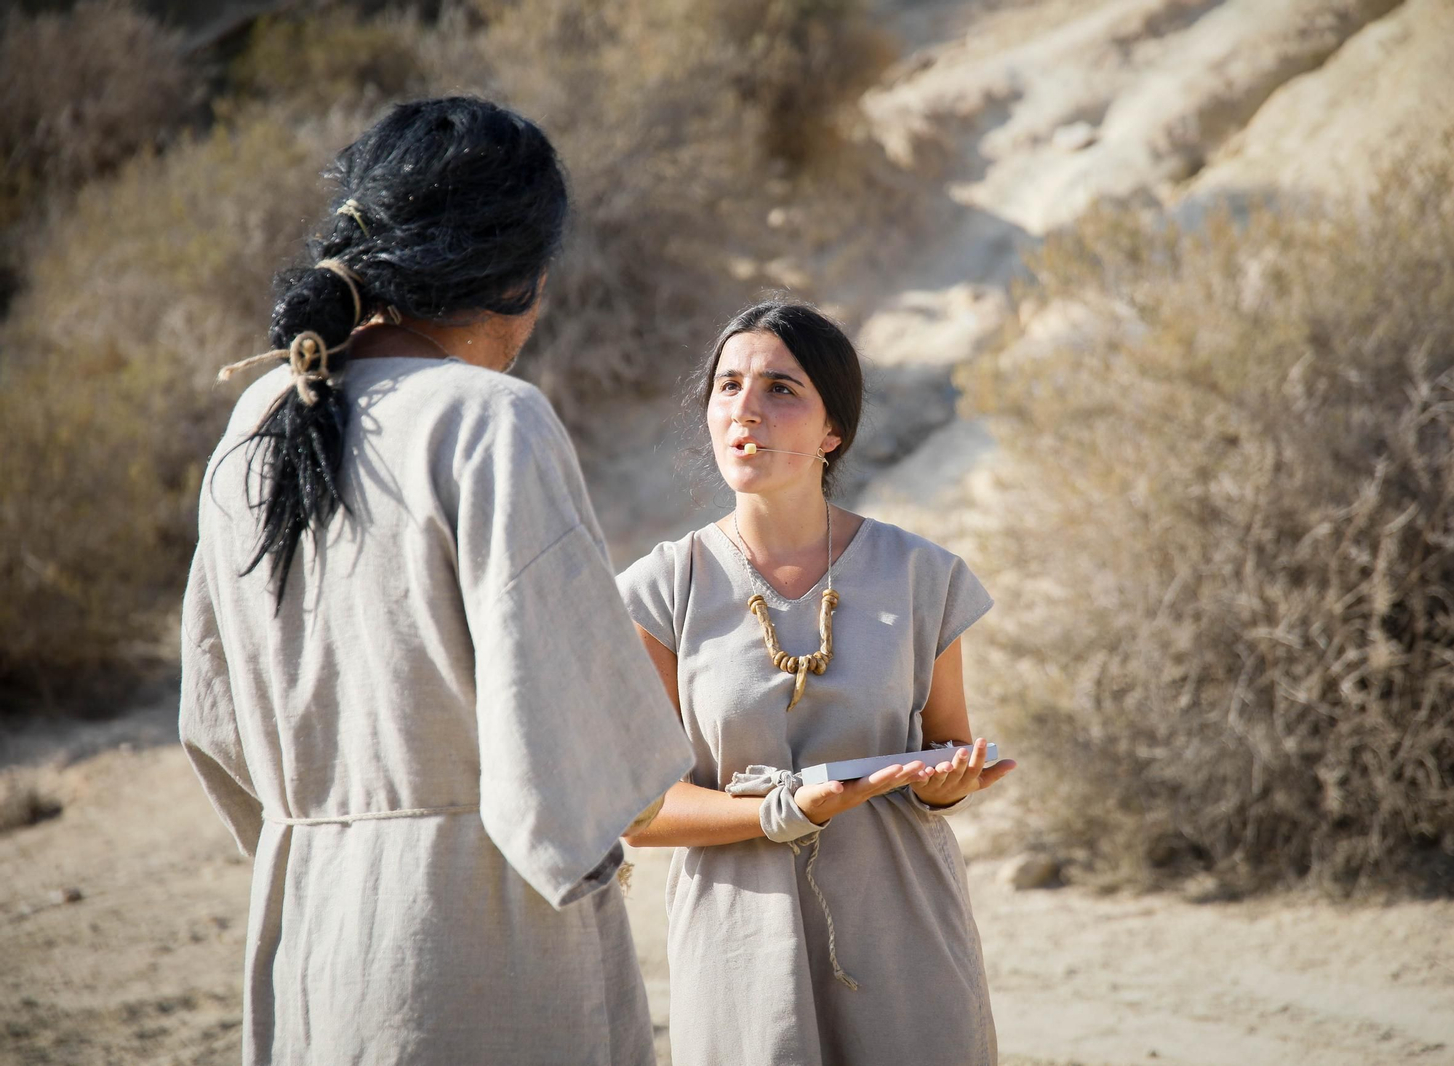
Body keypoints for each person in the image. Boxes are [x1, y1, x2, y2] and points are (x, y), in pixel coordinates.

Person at [179, 97, 691, 1065]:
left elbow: (212, 727)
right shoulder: (490, 421)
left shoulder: (251, 422)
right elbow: (576, 770)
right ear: (516, 276)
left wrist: (327, 835)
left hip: (309, 935)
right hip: (480, 951)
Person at [618, 300, 1017, 1065]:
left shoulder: (920, 575)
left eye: (780, 389)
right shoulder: (661, 590)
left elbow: (945, 753)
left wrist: (949, 780)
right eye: (728, 386)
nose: (747, 411)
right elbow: (639, 809)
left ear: (833, 431)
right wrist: (782, 812)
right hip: (739, 940)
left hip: (904, 929)